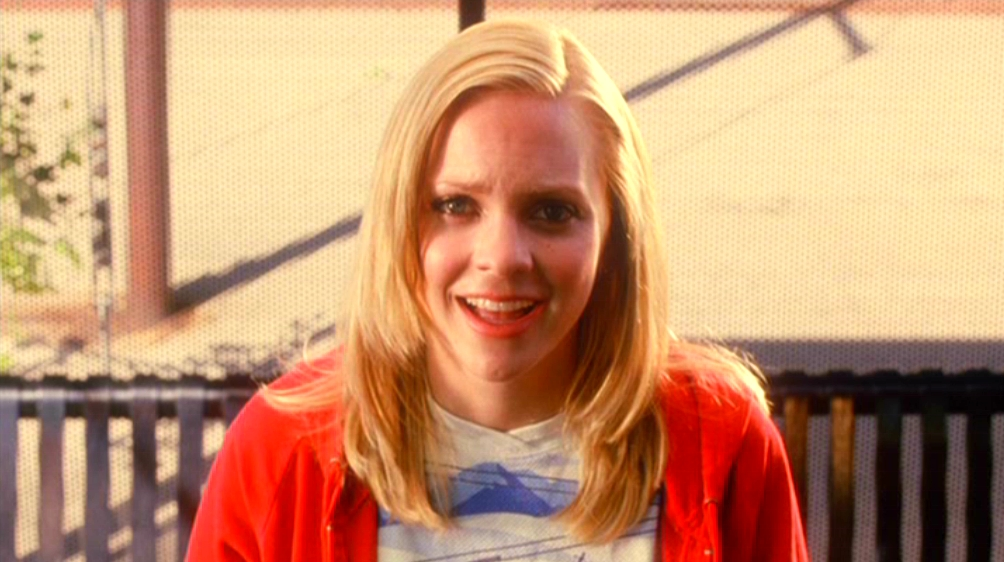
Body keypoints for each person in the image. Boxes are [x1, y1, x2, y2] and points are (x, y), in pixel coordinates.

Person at [187, 18, 808, 562]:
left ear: (617, 235)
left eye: (552, 212)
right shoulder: (279, 449)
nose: (503, 257)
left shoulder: (722, 441)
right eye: (455, 204)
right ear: (397, 218)